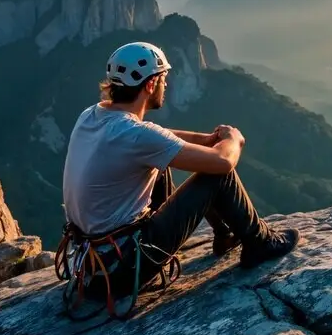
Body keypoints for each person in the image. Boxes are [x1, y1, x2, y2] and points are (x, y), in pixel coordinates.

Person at [60, 41, 298, 291]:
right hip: (125, 269)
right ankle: (260, 242)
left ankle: (225, 234)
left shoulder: (92, 115)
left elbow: (158, 137)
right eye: (163, 79)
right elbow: (223, 162)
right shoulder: (136, 135)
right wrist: (233, 140)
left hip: (92, 266)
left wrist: (205, 140)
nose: (166, 85)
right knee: (218, 176)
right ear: (150, 84)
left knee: (161, 165)